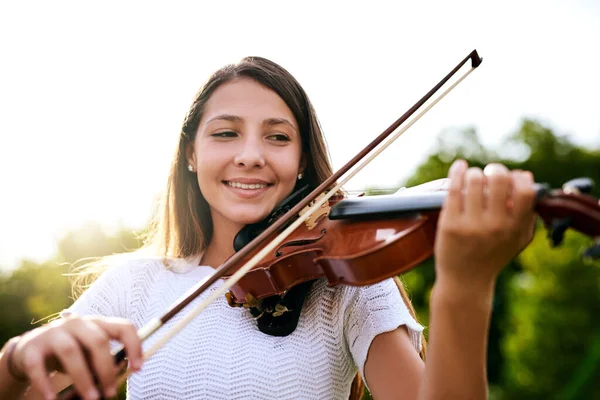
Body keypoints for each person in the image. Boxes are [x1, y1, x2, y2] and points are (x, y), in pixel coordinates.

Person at [0, 56, 537, 400]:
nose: (251, 156)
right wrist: (19, 357)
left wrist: (465, 288)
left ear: (303, 162)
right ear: (192, 153)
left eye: (278, 137)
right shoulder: (137, 287)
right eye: (227, 133)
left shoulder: (346, 286)